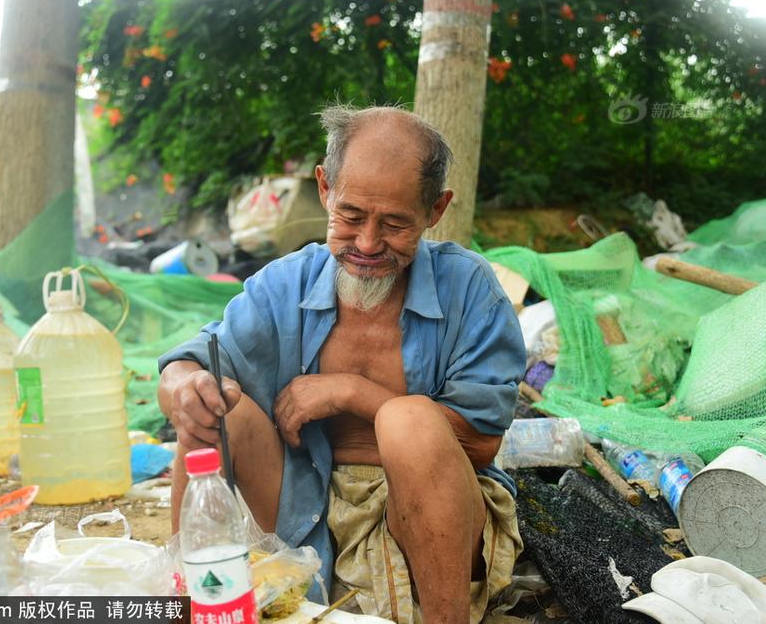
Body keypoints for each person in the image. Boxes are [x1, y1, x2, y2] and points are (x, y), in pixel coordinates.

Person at [158, 105, 526, 623]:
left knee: (409, 420)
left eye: (396, 223)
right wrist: (184, 387)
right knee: (210, 411)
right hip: (303, 499)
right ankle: (186, 605)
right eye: (351, 216)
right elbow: (190, 361)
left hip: (433, 520)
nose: (368, 244)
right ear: (325, 188)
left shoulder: (470, 289)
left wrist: (352, 392)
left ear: (435, 210)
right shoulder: (283, 283)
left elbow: (483, 445)